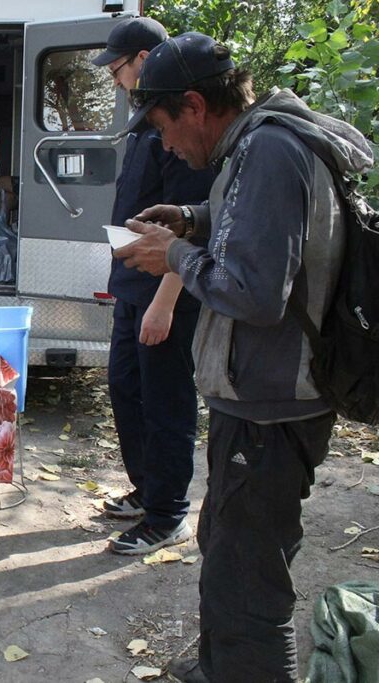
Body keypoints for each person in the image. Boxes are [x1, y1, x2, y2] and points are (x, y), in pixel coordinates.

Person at [113, 33, 373, 682]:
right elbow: (253, 225)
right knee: (228, 550)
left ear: (196, 105)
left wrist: (171, 255)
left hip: (270, 411)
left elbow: (255, 292)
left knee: (249, 583)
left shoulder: (271, 151)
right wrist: (193, 218)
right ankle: (218, 665)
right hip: (257, 402)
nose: (165, 145)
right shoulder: (254, 146)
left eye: (165, 127)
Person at [91, 17, 216, 554]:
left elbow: (187, 229)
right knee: (125, 387)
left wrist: (165, 304)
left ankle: (169, 514)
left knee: (166, 402)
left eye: (118, 69)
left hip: (166, 294)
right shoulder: (146, 123)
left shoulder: (178, 129)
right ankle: (148, 489)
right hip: (133, 287)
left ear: (142, 57)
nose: (116, 80)